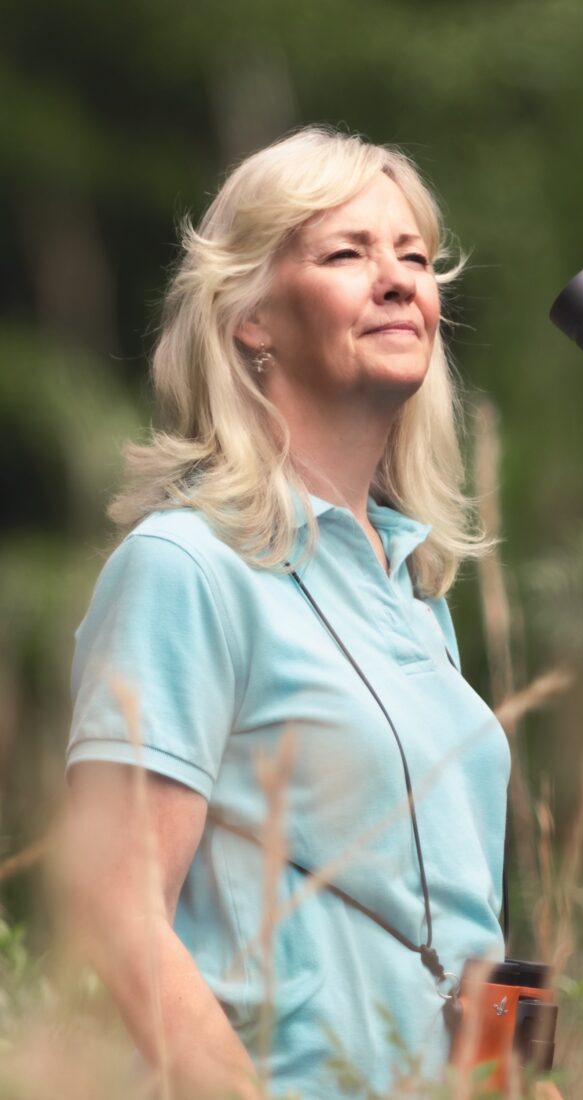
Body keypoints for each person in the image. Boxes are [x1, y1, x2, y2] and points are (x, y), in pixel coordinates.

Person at [63, 126, 515, 1099]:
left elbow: (456, 930)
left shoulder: (415, 594)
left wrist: (508, 1080)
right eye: (348, 253)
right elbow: (111, 902)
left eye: (414, 256)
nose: (398, 280)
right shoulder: (184, 566)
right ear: (250, 319)